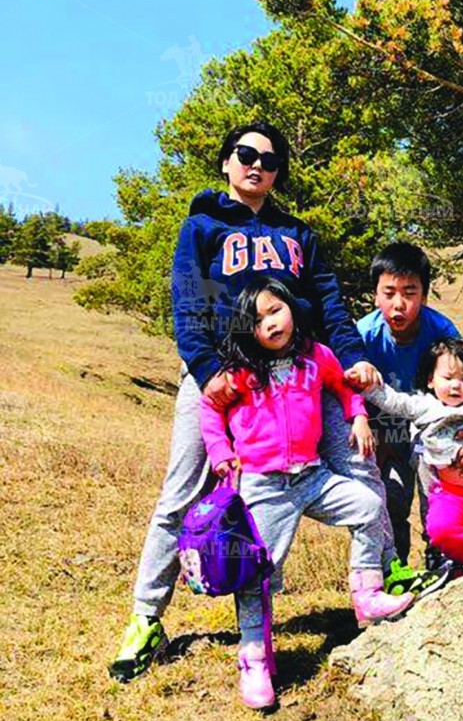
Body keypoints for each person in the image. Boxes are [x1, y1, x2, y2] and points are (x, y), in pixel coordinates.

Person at [109, 121, 379, 683]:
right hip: (222, 380)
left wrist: (352, 358)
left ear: (278, 173)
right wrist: (206, 370)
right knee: (182, 494)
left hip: (299, 377)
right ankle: (145, 618)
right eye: (247, 154)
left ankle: (379, 583)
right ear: (227, 162)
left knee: (360, 463)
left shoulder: (296, 233)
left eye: (270, 160)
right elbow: (187, 301)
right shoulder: (202, 227)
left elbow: (329, 301)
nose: (257, 164)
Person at [204, 279, 412, 709]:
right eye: (257, 320)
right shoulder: (242, 371)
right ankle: (254, 656)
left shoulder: (316, 356)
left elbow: (343, 387)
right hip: (265, 485)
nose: (270, 323)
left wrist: (358, 417)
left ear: (292, 309)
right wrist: (220, 450)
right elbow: (210, 406)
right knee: (258, 572)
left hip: (312, 476)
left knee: (369, 505)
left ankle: (366, 593)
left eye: (275, 310)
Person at [353, 243, 463, 574]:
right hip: (383, 432)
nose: (399, 303)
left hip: (435, 430)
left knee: (439, 497)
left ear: (425, 296)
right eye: (389, 293)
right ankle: (393, 569)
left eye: (410, 292)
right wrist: (371, 430)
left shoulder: (442, 333)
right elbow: (346, 391)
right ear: (375, 295)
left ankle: (442, 561)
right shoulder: (363, 335)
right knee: (390, 498)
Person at [365, 338, 463, 570]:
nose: (456, 386)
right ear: (430, 380)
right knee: (440, 532)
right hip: (448, 494)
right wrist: (368, 387)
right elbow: (394, 401)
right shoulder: (424, 406)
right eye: (448, 378)